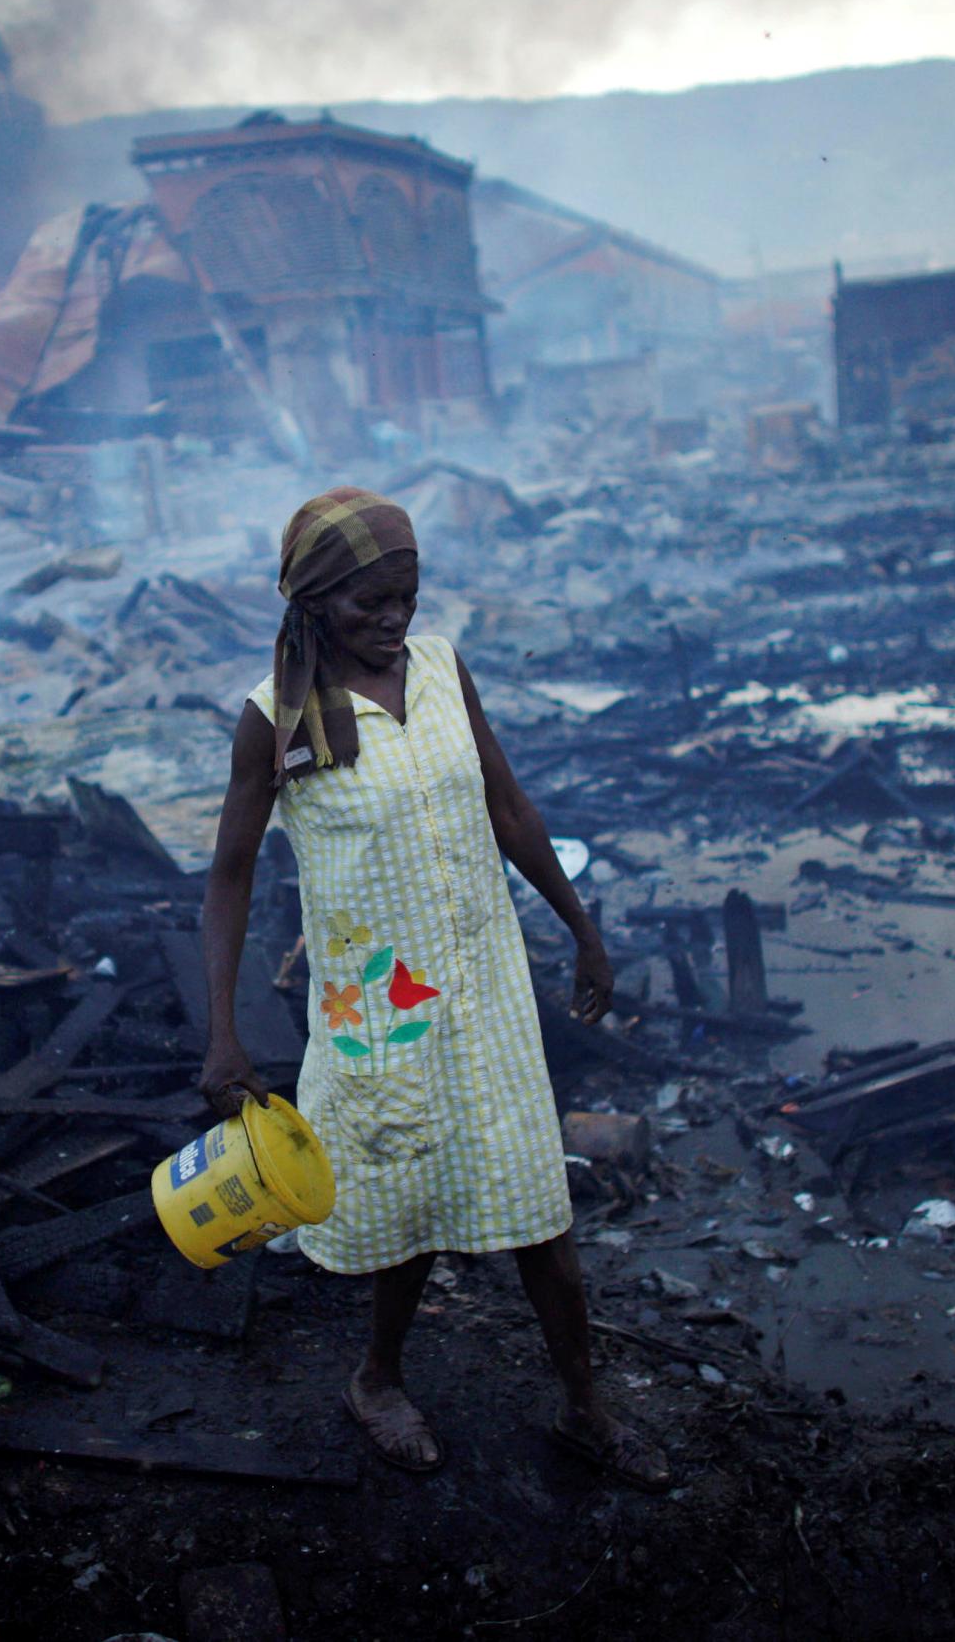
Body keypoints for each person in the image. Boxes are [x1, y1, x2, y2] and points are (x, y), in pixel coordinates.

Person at [197, 485, 671, 1491]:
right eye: (370, 602)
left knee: (538, 1203)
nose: (393, 617)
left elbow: (505, 802)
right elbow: (229, 874)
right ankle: (376, 1379)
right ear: (317, 600)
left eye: (406, 595)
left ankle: (586, 1408)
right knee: (408, 1202)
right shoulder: (276, 718)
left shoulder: (443, 667)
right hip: (378, 1009)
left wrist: (579, 926)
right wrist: (222, 1034)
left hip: (485, 984)